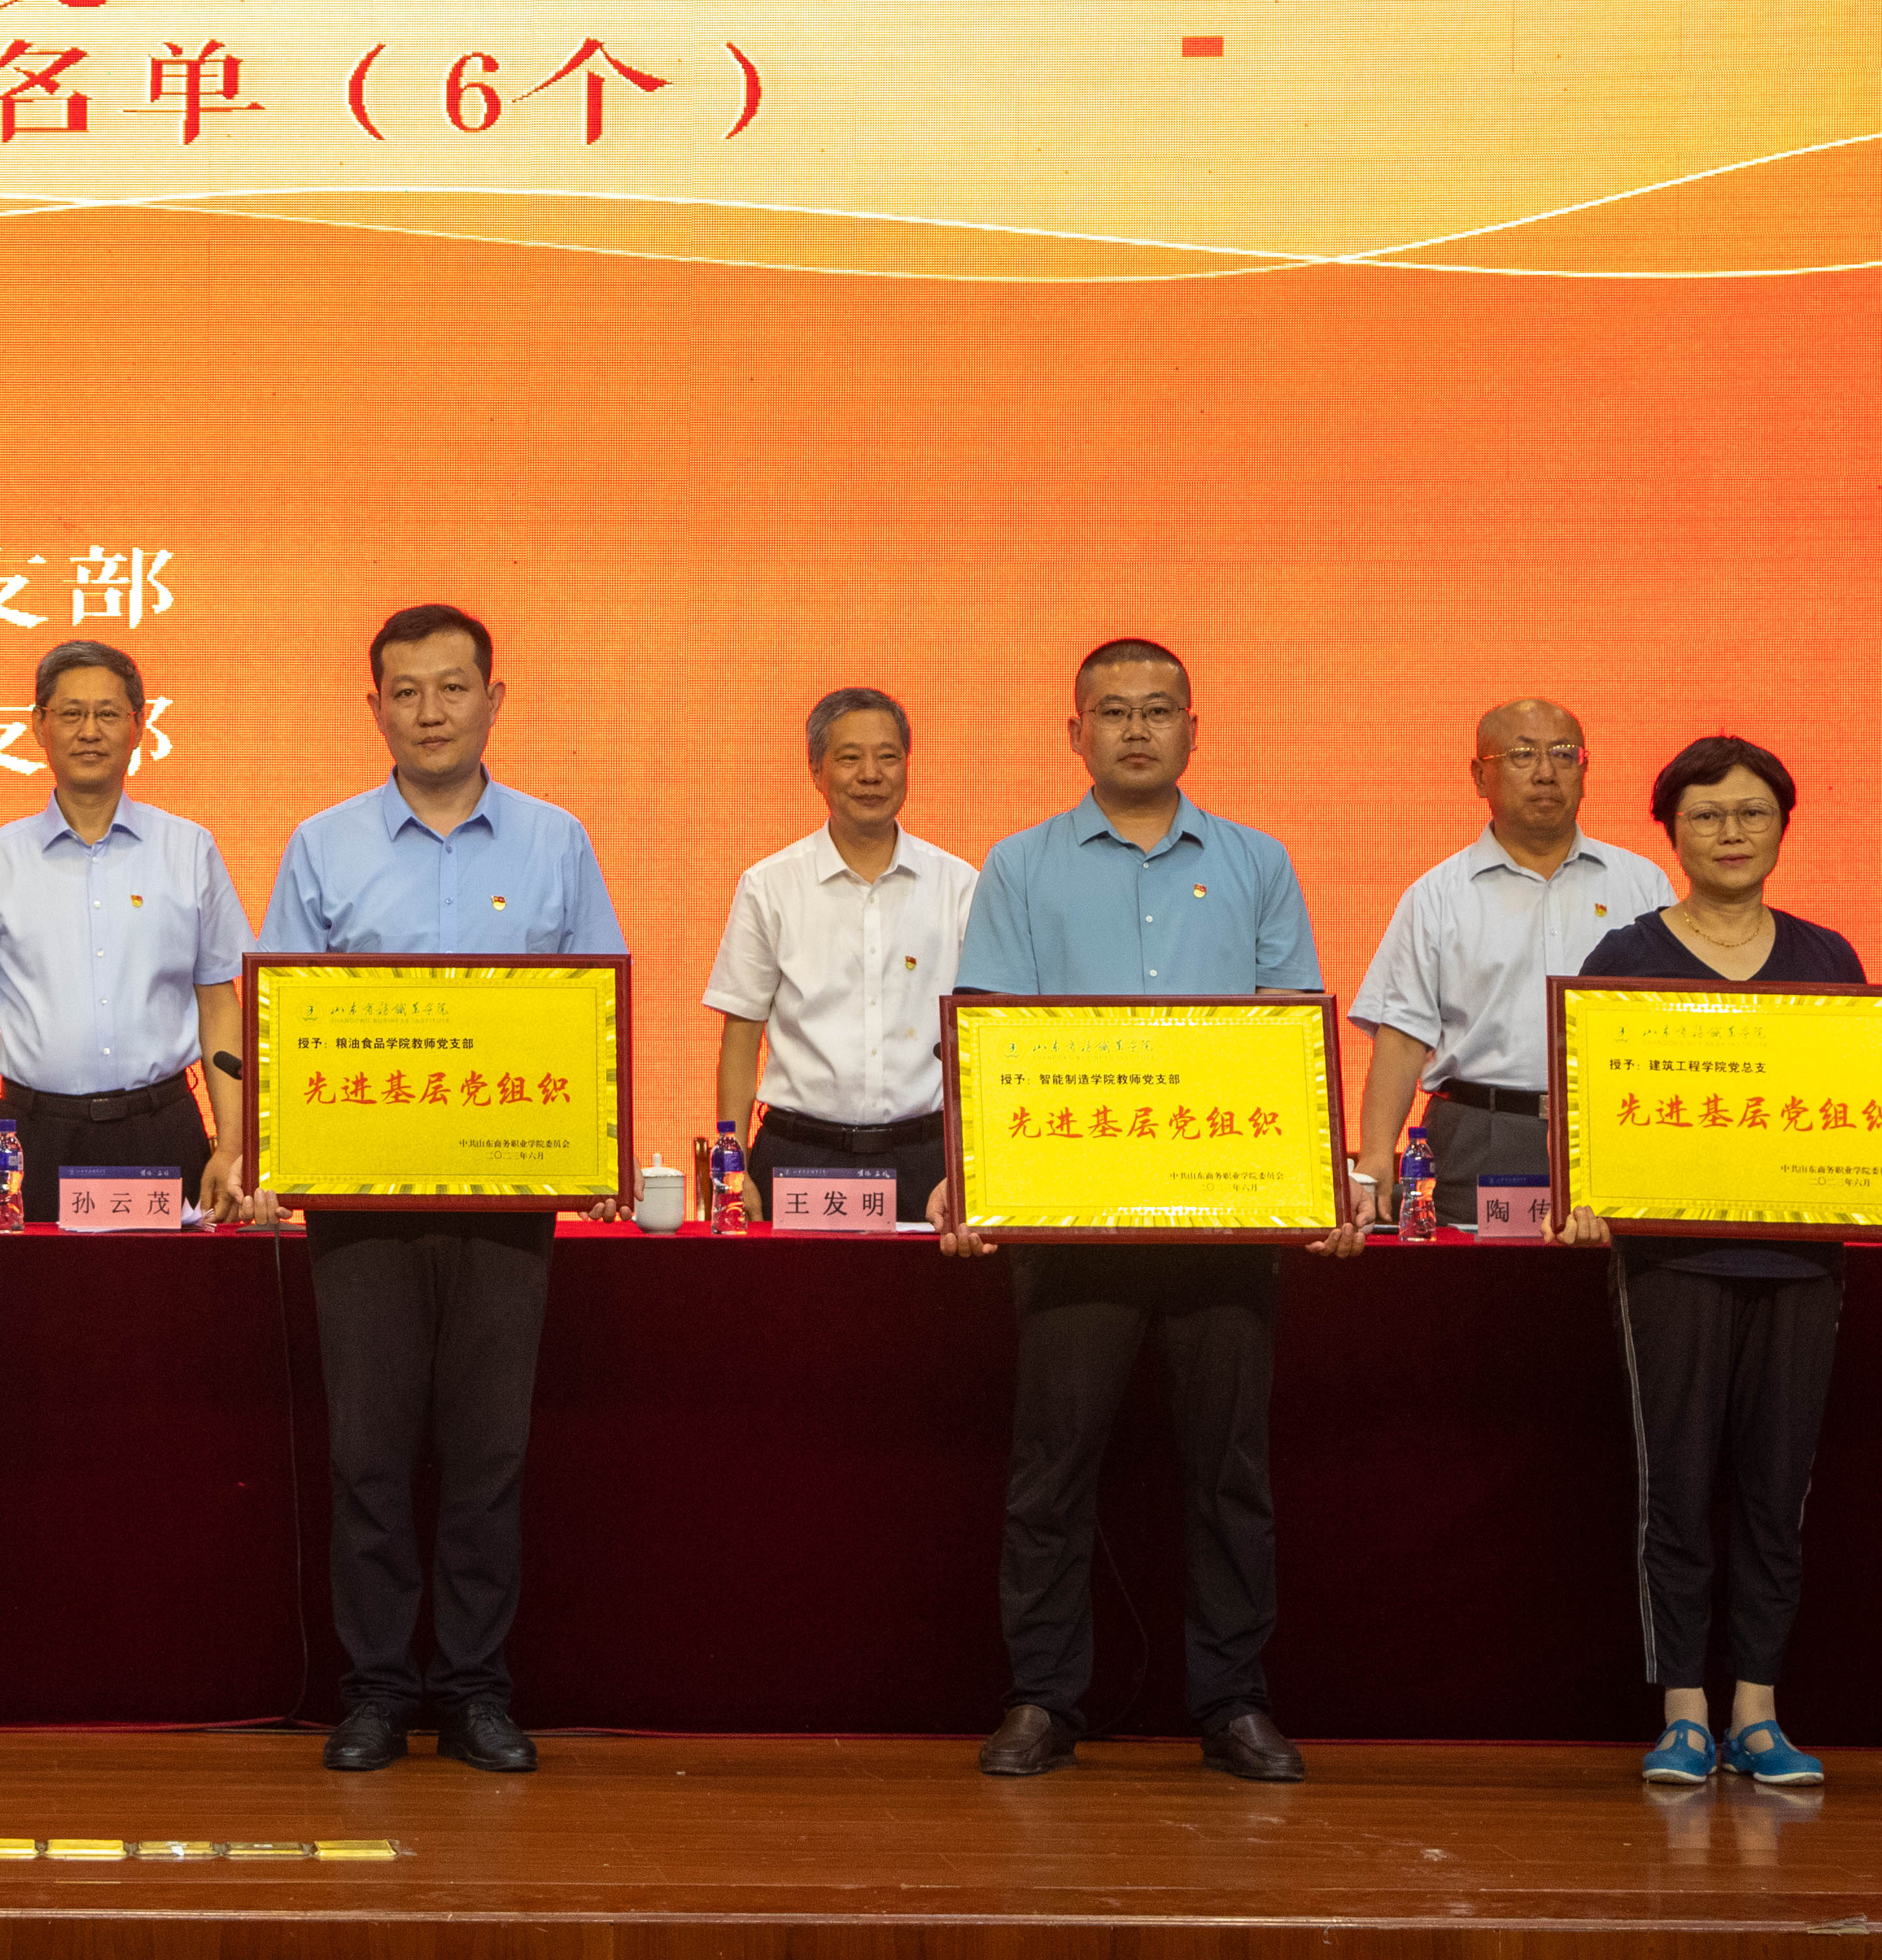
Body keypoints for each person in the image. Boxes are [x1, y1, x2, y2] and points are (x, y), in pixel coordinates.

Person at [943, 638, 1355, 1786]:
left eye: (1159, 710)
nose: (1137, 729)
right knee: (1051, 1473)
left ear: (1192, 728)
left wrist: (1316, 1182)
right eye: (1114, 711)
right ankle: (1042, 1697)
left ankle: (1234, 1702)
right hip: (1070, 1220)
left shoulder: (1258, 861)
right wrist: (973, 1174)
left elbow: (1286, 1031)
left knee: (1231, 1475)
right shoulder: (1021, 864)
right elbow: (991, 1034)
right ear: (1075, 731)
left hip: (1224, 1221)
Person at [256, 604, 628, 1776]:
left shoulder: (556, 841)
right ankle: (375, 1694)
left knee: (487, 1457)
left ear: (493, 700)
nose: (430, 712)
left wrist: (593, 1149)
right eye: (406, 692)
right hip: (361, 1203)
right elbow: (283, 1026)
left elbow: (596, 1014)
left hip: (508, 1202)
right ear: (375, 708)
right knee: (369, 1456)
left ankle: (474, 1693)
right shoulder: (322, 845)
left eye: (453, 688)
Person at [1563, 734, 1882, 1792]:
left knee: (1777, 1491)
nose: (1730, 833)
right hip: (1672, 1265)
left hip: (1801, 1265)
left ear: (1782, 826)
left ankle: (1758, 1712)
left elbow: (1873, 1107)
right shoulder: (1628, 956)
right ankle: (1685, 1714)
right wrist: (1586, 1194)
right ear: (1671, 833)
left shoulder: (1827, 958)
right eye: (1706, 815)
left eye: (1751, 814)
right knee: (1678, 1485)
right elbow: (1592, 1105)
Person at [0, 638, 252, 1223]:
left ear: (138, 726)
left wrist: (231, 1145)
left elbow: (218, 1002)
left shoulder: (188, 850)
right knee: (30, 1284)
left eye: (108, 714)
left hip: (161, 1130)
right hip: (31, 1138)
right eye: (71, 714)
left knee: (169, 1282)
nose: (89, 732)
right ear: (39, 725)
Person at [1346, 699, 1669, 1227]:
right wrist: (1377, 1153)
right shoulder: (1438, 895)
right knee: (1482, 1278)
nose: (1546, 773)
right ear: (1480, 776)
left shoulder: (1642, 884)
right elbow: (1402, 1037)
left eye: (1564, 754)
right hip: (1480, 1131)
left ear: (1584, 770)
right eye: (1523, 755)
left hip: (1613, 1131)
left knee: (1603, 1275)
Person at [704, 685, 973, 1225]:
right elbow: (742, 1037)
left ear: (907, 764)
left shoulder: (960, 885)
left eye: (888, 756)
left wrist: (973, 1164)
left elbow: (979, 1040)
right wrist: (732, 1174)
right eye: (850, 758)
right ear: (816, 771)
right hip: (799, 1155)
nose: (871, 774)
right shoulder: (769, 885)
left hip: (928, 1163)